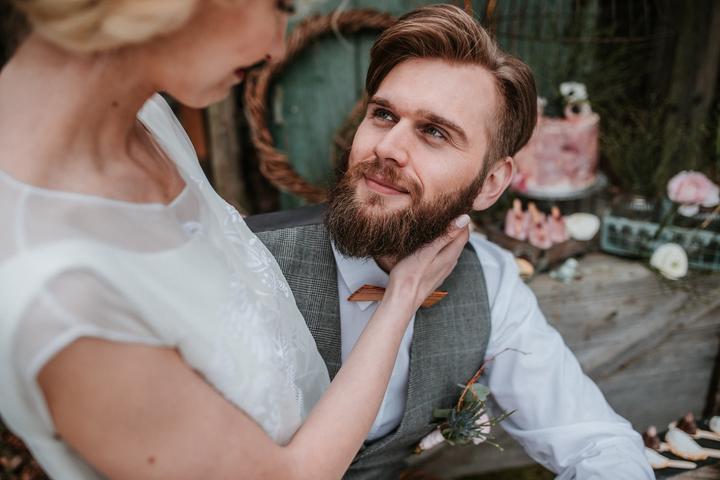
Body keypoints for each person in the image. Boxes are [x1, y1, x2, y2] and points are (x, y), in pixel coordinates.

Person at [0, 1, 470, 479]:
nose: (277, 48)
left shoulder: (140, 116)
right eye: (279, 6)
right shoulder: (59, 300)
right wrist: (402, 297)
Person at [247, 5, 654, 479]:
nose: (387, 148)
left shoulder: (490, 283)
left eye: (434, 132)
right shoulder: (247, 261)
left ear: (491, 184)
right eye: (383, 115)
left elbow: (597, 442)